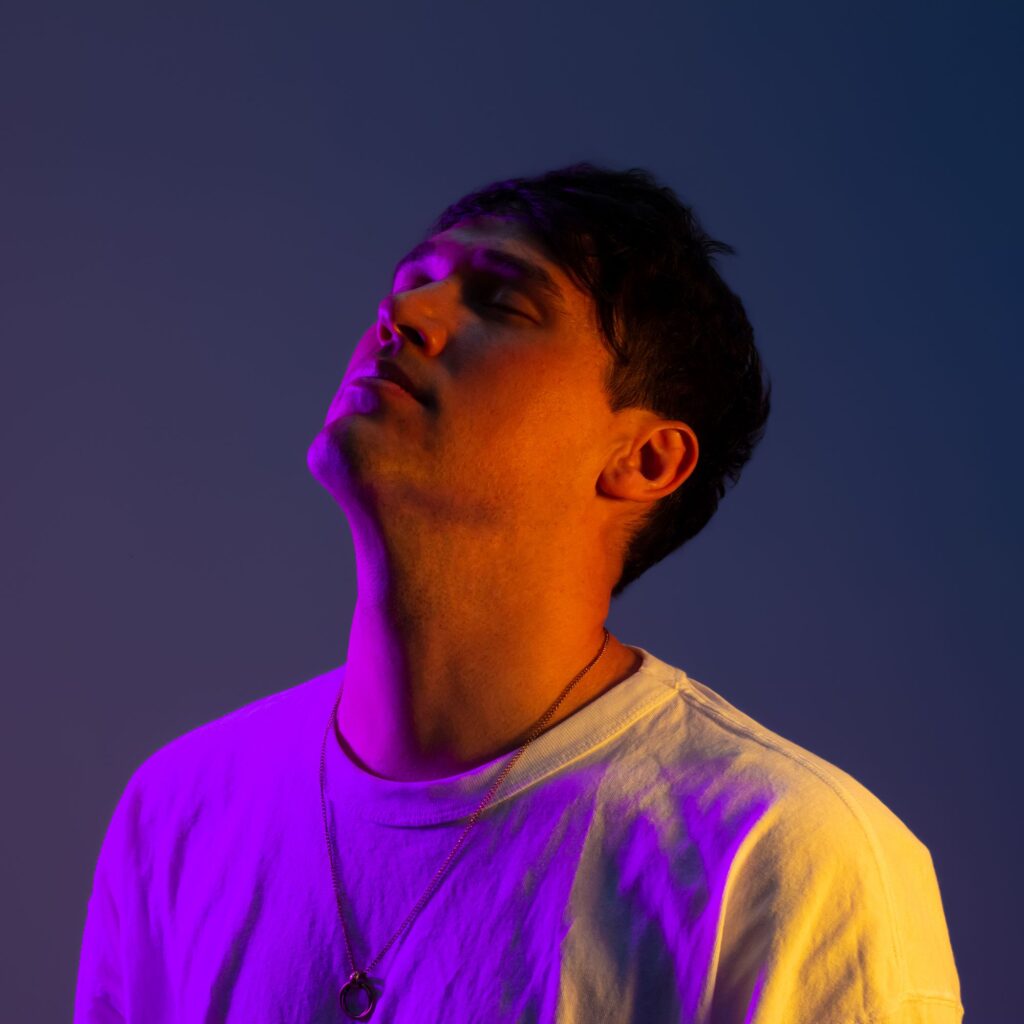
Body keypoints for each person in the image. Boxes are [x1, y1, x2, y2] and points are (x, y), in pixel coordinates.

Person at [74, 164, 963, 1023]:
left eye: (501, 302)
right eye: (411, 283)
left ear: (643, 459)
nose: (404, 314)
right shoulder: (180, 811)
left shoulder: (780, 858)